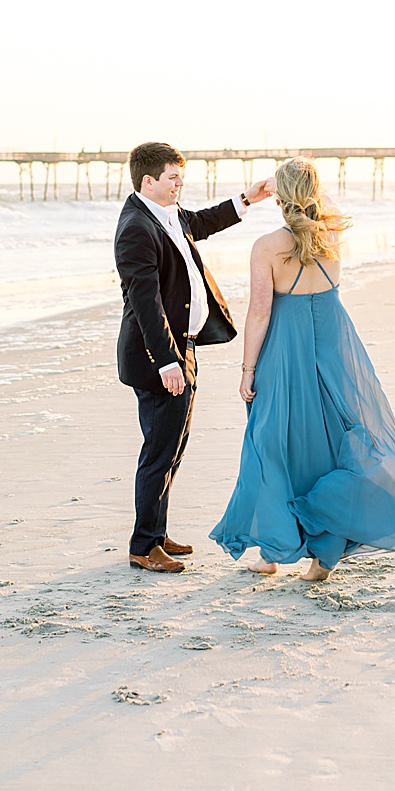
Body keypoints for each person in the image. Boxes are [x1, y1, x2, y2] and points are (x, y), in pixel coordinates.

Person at [210, 155, 395, 580]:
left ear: (279, 197)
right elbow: (328, 205)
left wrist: (247, 369)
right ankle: (323, 557)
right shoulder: (334, 234)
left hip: (285, 354)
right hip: (334, 349)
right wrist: (300, 184)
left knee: (273, 444)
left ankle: (272, 552)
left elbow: (259, 313)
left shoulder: (267, 246)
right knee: (329, 443)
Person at [114, 140, 273, 574]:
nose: (180, 184)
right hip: (158, 357)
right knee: (159, 450)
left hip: (183, 347)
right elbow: (145, 304)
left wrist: (247, 200)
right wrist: (169, 363)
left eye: (181, 177)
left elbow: (202, 222)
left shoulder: (166, 214)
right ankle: (143, 546)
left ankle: (157, 532)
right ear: (149, 181)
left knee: (175, 446)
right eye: (173, 178)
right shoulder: (135, 227)